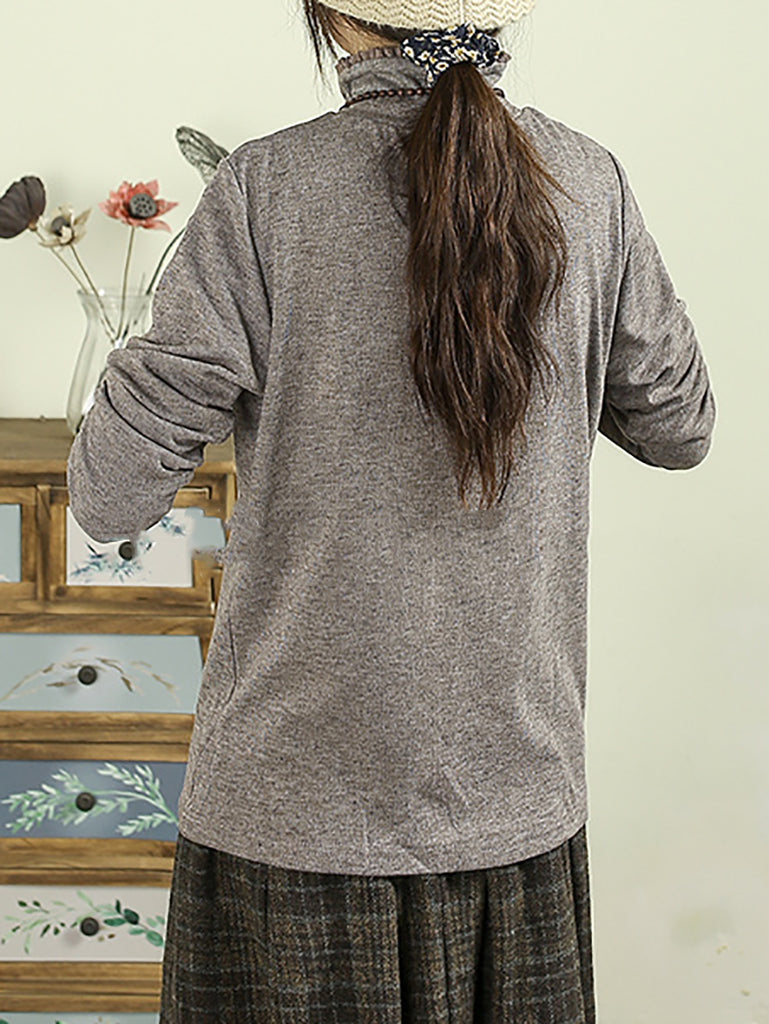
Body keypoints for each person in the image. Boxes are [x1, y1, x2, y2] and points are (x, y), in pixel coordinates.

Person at [66, 0, 717, 1020]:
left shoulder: (265, 188)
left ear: (330, 18)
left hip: (290, 817)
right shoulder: (589, 183)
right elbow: (680, 424)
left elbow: (108, 495)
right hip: (515, 804)